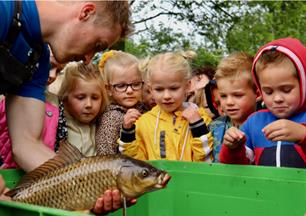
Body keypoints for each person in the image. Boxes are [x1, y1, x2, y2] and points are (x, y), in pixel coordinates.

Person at [0, 1, 132, 213]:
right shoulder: (4, 10)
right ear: (86, 13)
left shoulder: (38, 60)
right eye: (98, 45)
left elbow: (25, 144)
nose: (88, 60)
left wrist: (88, 186)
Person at [219, 38, 306, 168]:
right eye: (268, 92)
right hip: (261, 189)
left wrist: (303, 135)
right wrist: (233, 148)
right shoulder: (254, 122)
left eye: (286, 90)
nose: (277, 98)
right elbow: (239, 168)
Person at [119, 51, 214, 161]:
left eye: (174, 88)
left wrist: (198, 127)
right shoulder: (143, 122)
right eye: (159, 89)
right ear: (150, 89)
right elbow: (133, 164)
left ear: (187, 86)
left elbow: (207, 161)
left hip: (190, 178)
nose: (166, 96)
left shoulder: (200, 118)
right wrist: (127, 132)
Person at [208, 52, 260, 162]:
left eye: (237, 95)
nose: (229, 102)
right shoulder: (214, 127)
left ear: (258, 94)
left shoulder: (265, 126)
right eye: (223, 96)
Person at [95, 50, 145, 156]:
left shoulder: (145, 109)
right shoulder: (111, 118)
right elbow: (106, 155)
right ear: (108, 89)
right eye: (121, 86)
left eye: (136, 84)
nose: (130, 90)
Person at [58, 62, 108, 157]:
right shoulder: (58, 124)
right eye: (81, 98)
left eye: (95, 98)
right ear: (66, 98)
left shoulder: (102, 124)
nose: (88, 105)